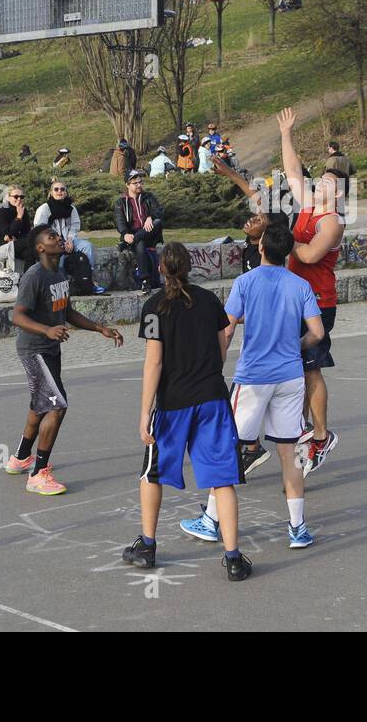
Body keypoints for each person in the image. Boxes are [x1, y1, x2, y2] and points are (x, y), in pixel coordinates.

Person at [180, 224, 326, 550]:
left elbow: (228, 329)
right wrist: (294, 345)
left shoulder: (245, 283)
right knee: (291, 453)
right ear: (288, 253)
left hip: (254, 377)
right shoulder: (300, 285)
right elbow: (316, 333)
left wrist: (214, 366)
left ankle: (211, 520)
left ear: (261, 248)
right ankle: (298, 527)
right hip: (289, 376)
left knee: (227, 448)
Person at [123, 243, 250, 581]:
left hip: (173, 402)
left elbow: (154, 361)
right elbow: (223, 345)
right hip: (212, 397)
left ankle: (147, 546)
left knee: (152, 473)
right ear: (190, 267)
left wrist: (143, 411)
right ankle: (233, 558)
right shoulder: (209, 300)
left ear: (161, 269)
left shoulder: (154, 306)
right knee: (223, 480)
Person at [3, 225, 123, 494]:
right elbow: (18, 316)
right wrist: (47, 330)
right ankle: (39, 474)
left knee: (42, 404)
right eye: (51, 237)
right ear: (40, 248)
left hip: (50, 349)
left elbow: (66, 311)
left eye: (58, 236)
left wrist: (99, 328)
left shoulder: (59, 273)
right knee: (57, 406)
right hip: (34, 349)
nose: (58, 239)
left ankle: (21, 457)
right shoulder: (34, 277)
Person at [278, 107, 345, 475]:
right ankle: (299, 428)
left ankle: (321, 436)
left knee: (311, 369)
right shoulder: (308, 205)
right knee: (297, 367)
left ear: (338, 195)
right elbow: (291, 170)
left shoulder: (332, 222)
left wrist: (280, 241)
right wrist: (287, 133)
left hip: (319, 304)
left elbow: (306, 253)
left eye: (328, 184)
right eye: (319, 180)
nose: (320, 184)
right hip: (297, 299)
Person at [33, 181, 104, 291]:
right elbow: (40, 229)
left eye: (62, 189)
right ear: (51, 192)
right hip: (52, 243)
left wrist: (70, 239)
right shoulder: (44, 209)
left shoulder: (71, 208)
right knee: (57, 257)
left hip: (68, 240)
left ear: (66, 192)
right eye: (56, 189)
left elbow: (75, 226)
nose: (59, 191)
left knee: (87, 246)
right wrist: (58, 242)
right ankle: (59, 286)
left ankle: (88, 279)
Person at [114, 170, 165, 292]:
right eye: (135, 183)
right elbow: (119, 221)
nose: (139, 185)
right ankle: (145, 280)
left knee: (158, 222)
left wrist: (150, 217)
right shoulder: (121, 202)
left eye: (140, 182)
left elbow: (159, 211)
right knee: (140, 243)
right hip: (132, 234)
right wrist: (125, 234)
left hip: (150, 232)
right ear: (127, 185)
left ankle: (130, 242)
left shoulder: (149, 197)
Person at [0, 184, 32, 270]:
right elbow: (8, 233)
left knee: (30, 254)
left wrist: (15, 238)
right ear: (8, 197)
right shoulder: (1, 210)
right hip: (0, 246)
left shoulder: (23, 209)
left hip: (17, 243)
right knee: (32, 241)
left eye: (21, 197)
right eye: (16, 196)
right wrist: (19, 217)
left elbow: (26, 231)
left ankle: (26, 280)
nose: (19, 199)